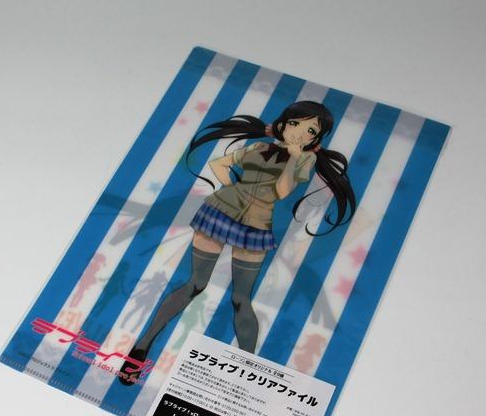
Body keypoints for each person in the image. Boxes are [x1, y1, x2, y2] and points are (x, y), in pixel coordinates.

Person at [118, 100, 356, 385]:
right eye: (295, 123)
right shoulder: (258, 147)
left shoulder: (305, 160)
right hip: (220, 210)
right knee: (196, 283)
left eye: (310, 130)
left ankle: (247, 371)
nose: (299, 132)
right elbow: (218, 164)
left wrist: (293, 158)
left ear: (316, 139)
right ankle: (142, 346)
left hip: (256, 223)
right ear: (283, 123)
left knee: (240, 298)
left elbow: (282, 192)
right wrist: (232, 187)